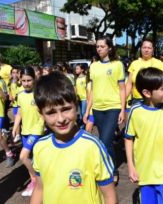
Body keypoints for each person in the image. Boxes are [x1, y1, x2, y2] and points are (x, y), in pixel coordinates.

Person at [30, 71, 117, 204]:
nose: (60, 119)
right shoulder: (40, 147)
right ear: (41, 114)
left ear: (76, 106)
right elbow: (40, 189)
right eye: (51, 112)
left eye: (66, 109)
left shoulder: (92, 146)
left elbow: (110, 196)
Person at [124, 67, 163, 204]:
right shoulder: (135, 112)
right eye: (162, 88)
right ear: (147, 93)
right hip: (145, 174)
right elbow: (128, 138)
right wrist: (131, 165)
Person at [83, 36, 126, 184]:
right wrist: (88, 110)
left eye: (102, 46)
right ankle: (108, 167)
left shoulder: (118, 65)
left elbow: (122, 89)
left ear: (109, 48)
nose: (99, 49)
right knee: (105, 142)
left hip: (113, 107)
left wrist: (122, 109)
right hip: (97, 109)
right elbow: (92, 91)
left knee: (104, 140)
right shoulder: (93, 66)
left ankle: (112, 171)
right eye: (97, 46)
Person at [12, 67, 45, 196]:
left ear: (34, 79)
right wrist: (15, 127)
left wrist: (41, 125)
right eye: (24, 80)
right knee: (34, 158)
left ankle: (36, 180)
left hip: (36, 130)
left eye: (29, 80)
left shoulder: (38, 93)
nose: (26, 83)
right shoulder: (20, 95)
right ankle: (35, 181)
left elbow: (43, 112)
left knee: (23, 156)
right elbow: (19, 112)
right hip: (25, 130)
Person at [126, 39, 163, 105]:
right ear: (141, 49)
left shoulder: (159, 64)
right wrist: (123, 101)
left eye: (149, 48)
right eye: (144, 47)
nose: (146, 50)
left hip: (155, 100)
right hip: (137, 101)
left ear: (153, 49)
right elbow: (129, 84)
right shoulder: (134, 63)